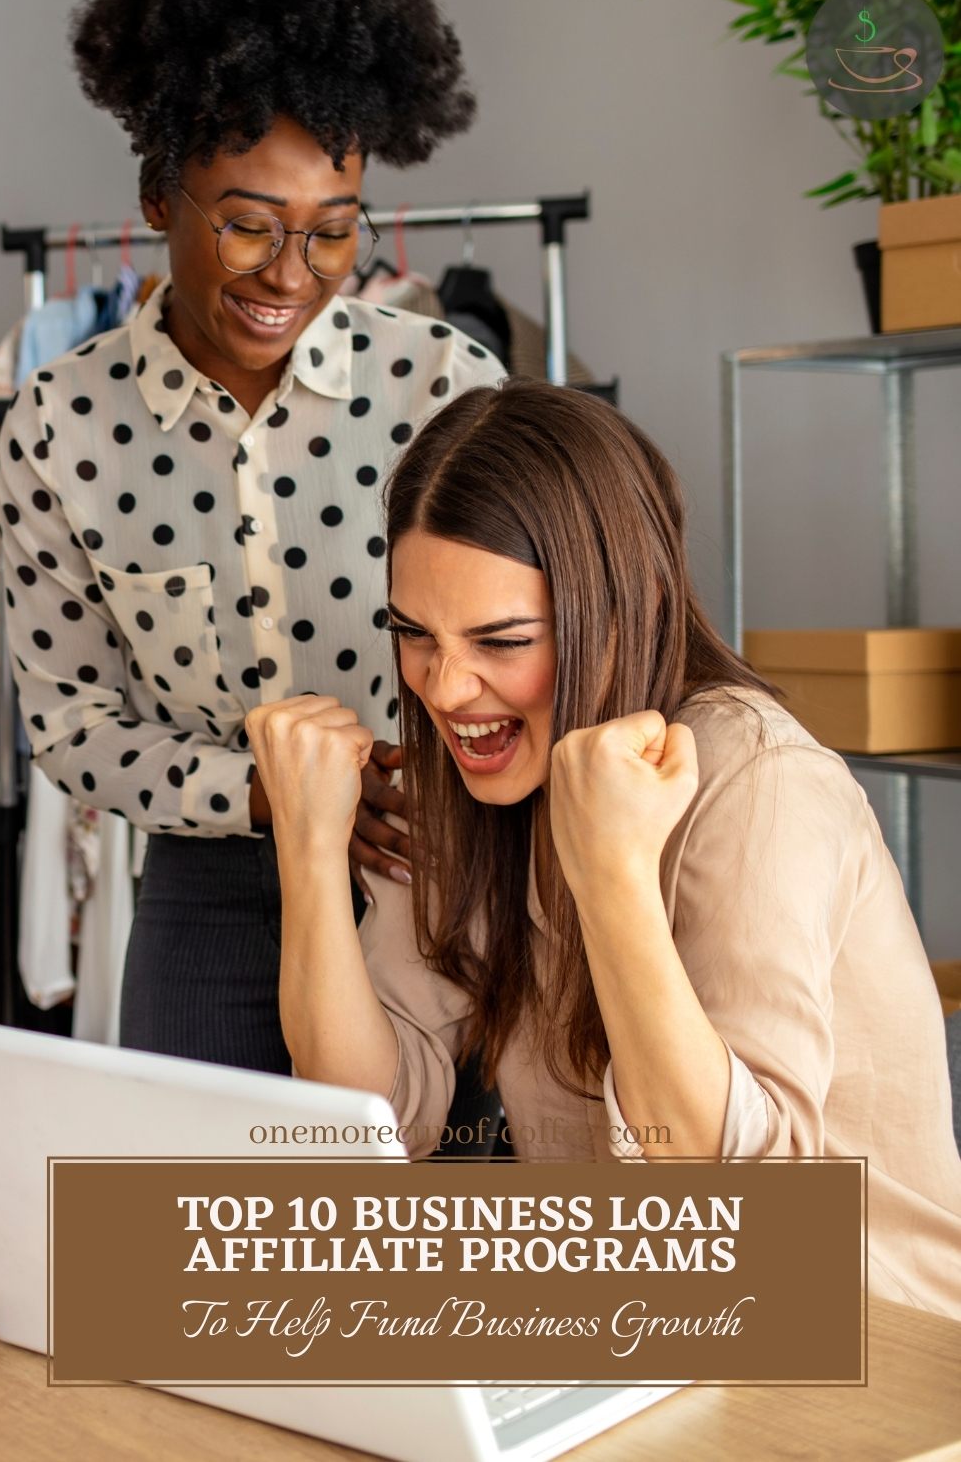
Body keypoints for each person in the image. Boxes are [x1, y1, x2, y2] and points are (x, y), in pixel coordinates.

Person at [247, 378, 961, 1317]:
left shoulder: (757, 780)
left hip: (857, 1332)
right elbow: (374, 1125)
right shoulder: (478, 774)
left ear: (625, 605)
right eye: (413, 634)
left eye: (502, 640)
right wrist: (307, 848)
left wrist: (612, 874)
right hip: (632, 1319)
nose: (447, 688)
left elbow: (744, 1206)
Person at [0, 0, 505, 1074]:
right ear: (155, 199)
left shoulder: (445, 388)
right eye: (247, 227)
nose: (293, 274)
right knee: (204, 1220)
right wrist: (273, 795)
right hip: (207, 894)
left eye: (333, 233)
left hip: (429, 869)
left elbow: (529, 643)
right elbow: (72, 724)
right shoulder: (62, 423)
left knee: (427, 1227)